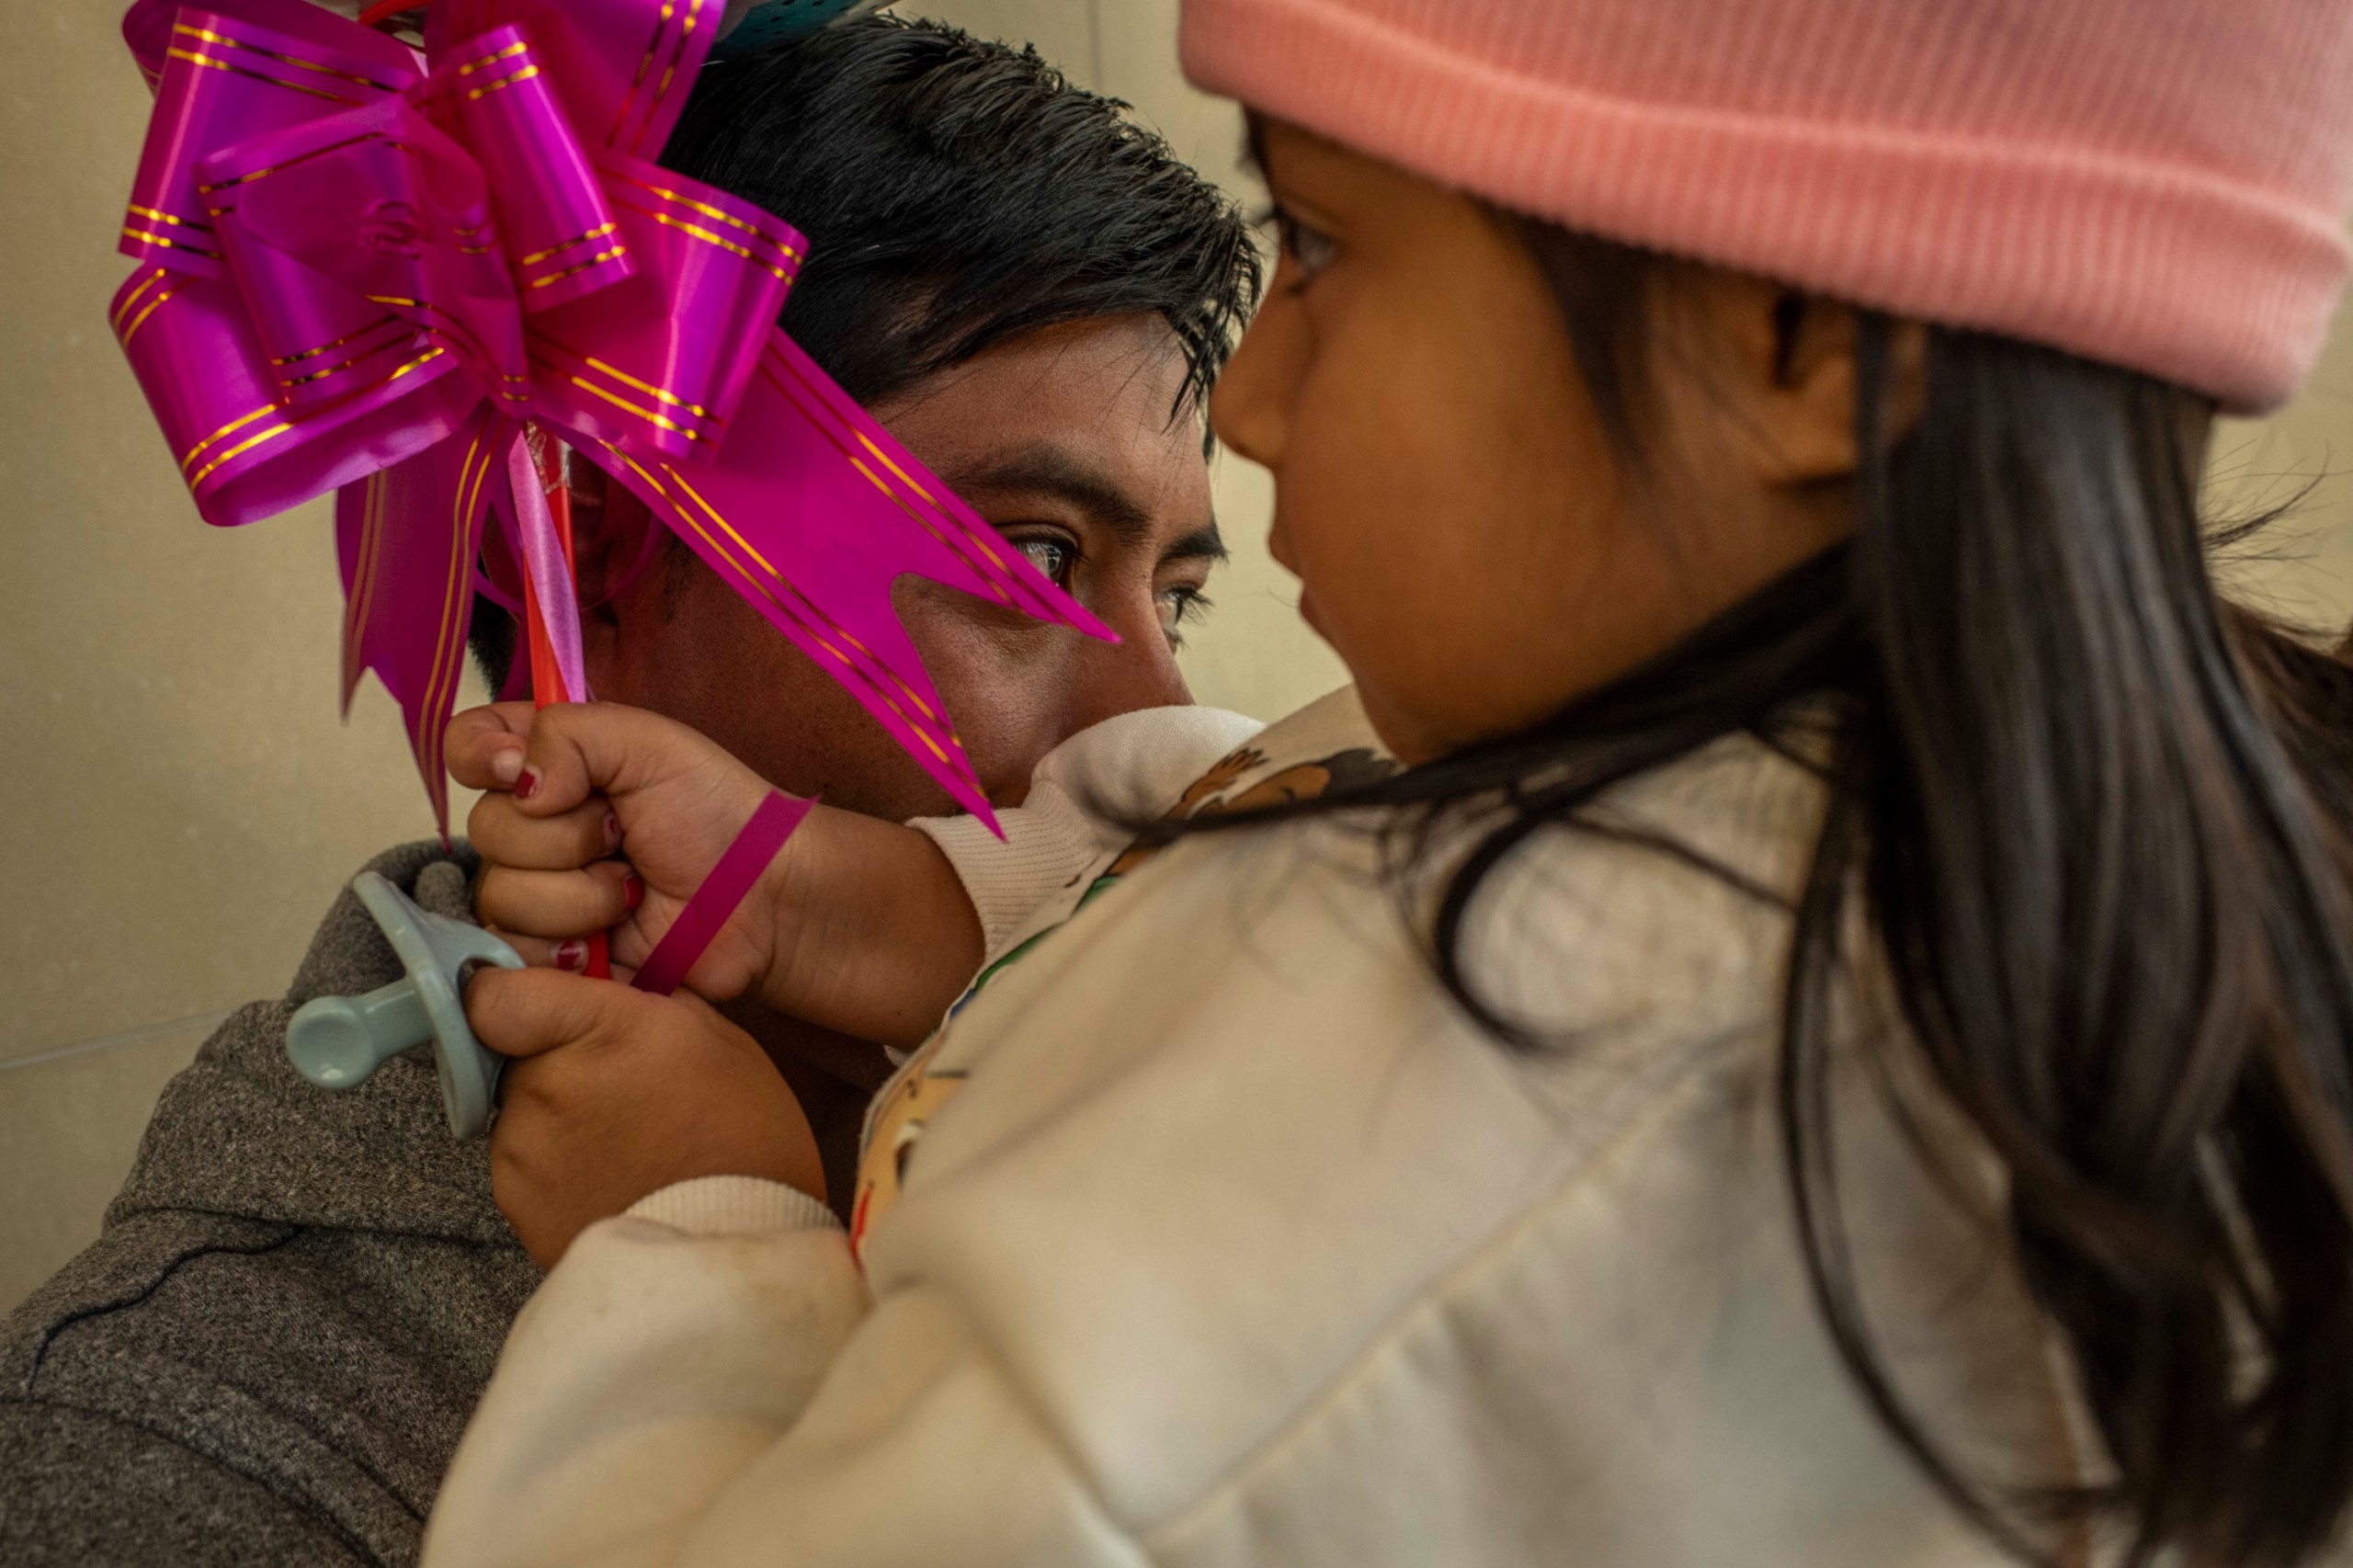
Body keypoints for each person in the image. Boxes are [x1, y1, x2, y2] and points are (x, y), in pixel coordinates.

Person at [416, 1, 2353, 1565]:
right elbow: (1193, 837)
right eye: (1021, 562)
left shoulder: (1477, 1069)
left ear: (1806, 344)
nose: (1249, 401)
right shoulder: (2070, 862)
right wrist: (807, 890)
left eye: (1329, 248)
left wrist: (697, 1244)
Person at [0, 18, 1261, 1566]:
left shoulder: (1239, 1062)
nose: (1160, 717)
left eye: (1176, 596)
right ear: (596, 555)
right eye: (1034, 562)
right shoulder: (195, 1445)